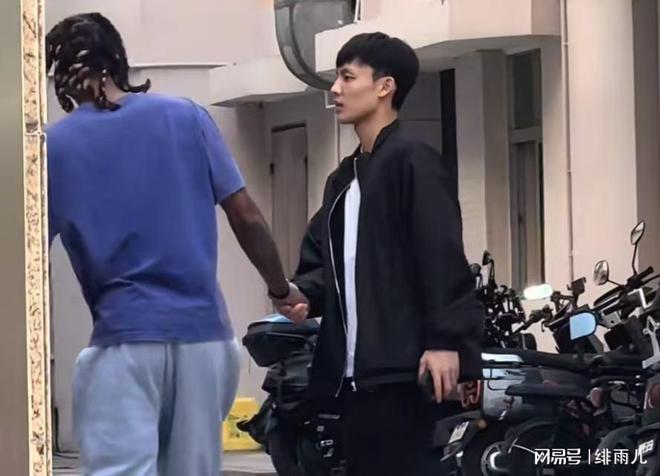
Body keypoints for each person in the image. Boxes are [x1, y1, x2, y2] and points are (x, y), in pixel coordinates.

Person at [45, 12, 306, 476]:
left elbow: (24, 253)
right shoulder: (186, 116)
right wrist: (280, 289)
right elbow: (245, 215)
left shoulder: (53, 148)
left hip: (124, 341)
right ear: (117, 61)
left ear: (64, 73)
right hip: (205, 340)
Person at [273, 32, 484, 476]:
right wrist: (303, 293)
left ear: (385, 86)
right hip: (354, 379)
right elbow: (328, 264)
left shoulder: (414, 161)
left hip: (408, 374)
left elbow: (441, 255)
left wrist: (444, 341)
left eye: (348, 77)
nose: (335, 89)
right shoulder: (342, 179)